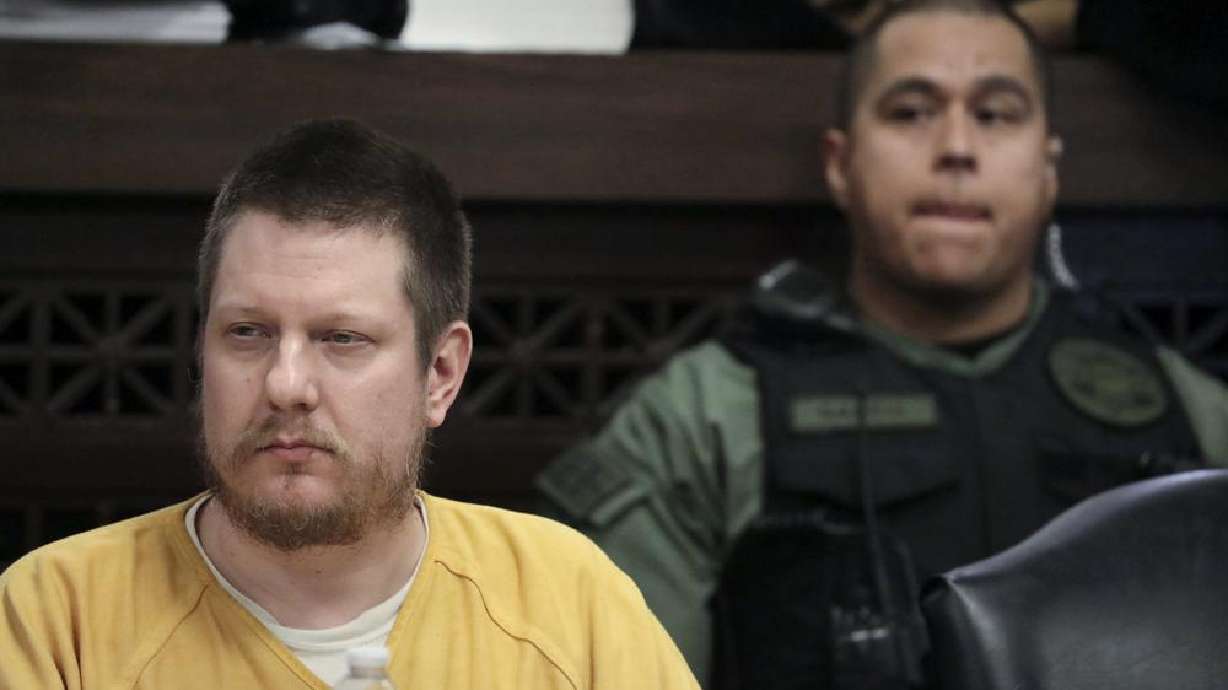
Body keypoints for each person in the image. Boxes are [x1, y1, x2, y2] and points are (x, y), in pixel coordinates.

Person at [536, 1, 1228, 687]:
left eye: (995, 114)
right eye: (911, 112)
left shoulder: (1192, 414)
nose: (956, 147)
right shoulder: (702, 421)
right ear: (840, 163)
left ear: (1049, 169)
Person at [0, 119, 700, 690]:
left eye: (343, 339)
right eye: (247, 333)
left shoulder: (564, 598)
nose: (286, 384)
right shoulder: (57, 615)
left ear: (442, 374)